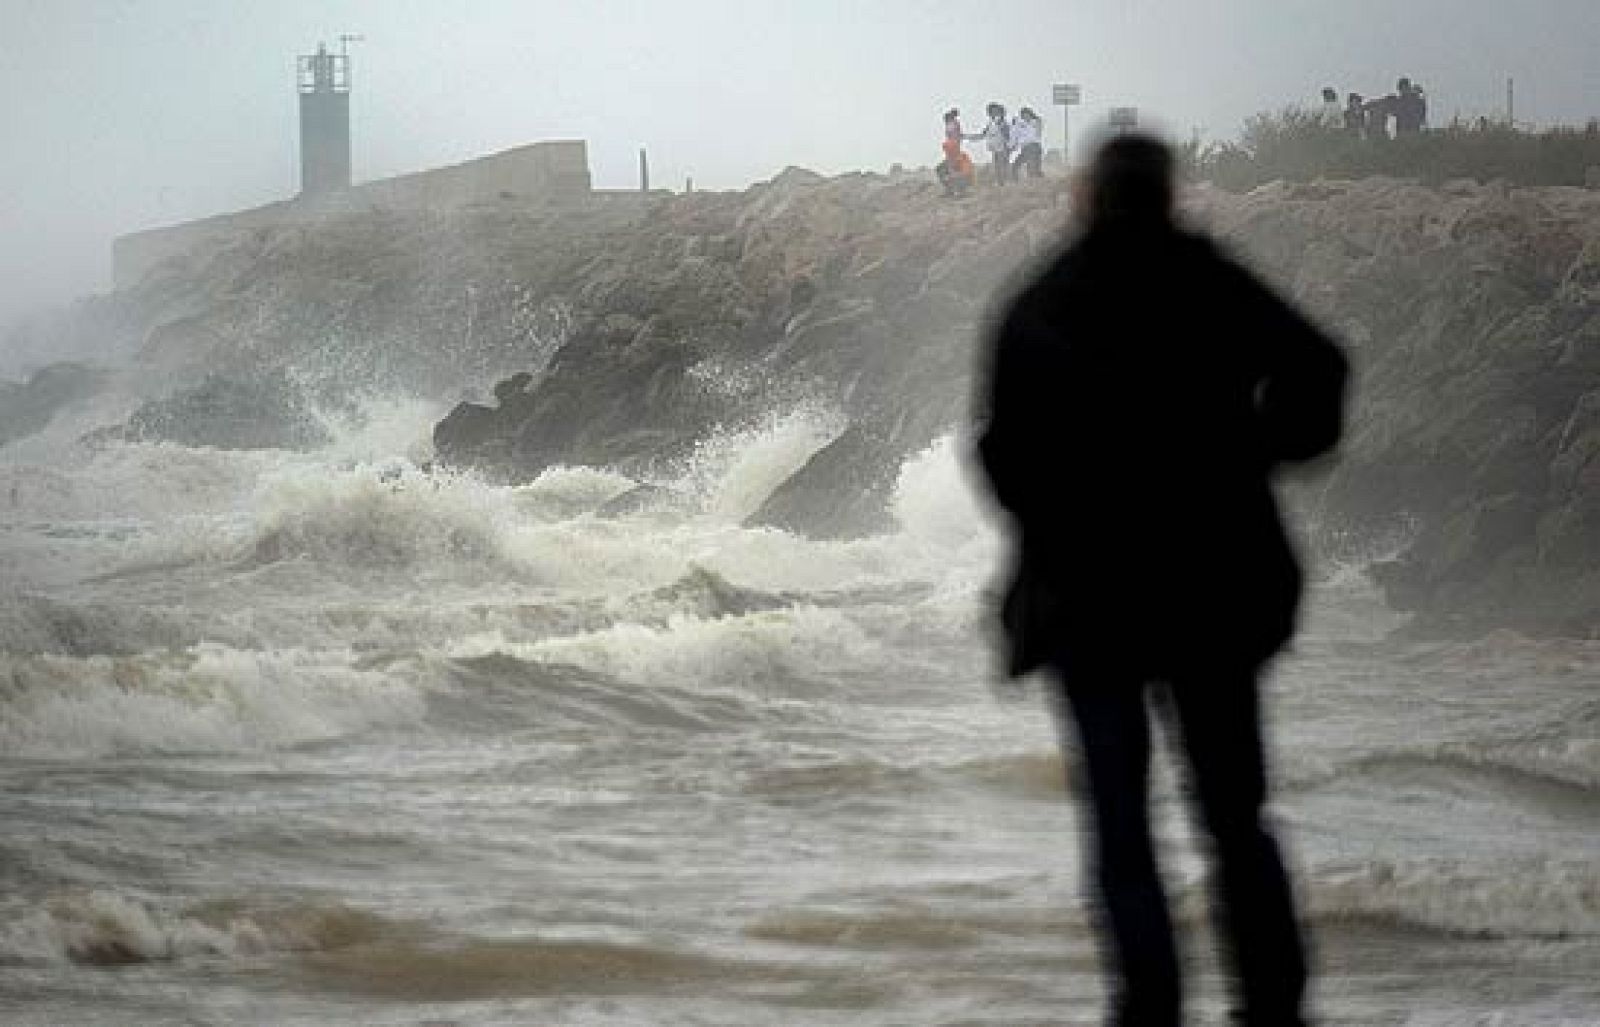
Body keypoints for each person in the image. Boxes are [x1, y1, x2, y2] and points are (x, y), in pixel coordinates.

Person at [976, 133, 1347, 1026]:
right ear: (1170, 194)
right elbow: (1320, 367)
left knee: (1121, 824)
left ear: (1085, 196)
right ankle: (1274, 1006)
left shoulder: (1044, 302)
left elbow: (1000, 452)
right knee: (1233, 815)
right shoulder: (1210, 283)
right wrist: (1264, 449)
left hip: (1087, 605)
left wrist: (1055, 521)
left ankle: (1148, 1006)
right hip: (1211, 596)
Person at [937, 109, 977, 197]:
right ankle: (951, 190)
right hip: (952, 152)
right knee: (943, 170)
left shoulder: (954, 126)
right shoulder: (952, 127)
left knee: (955, 172)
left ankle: (958, 190)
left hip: (955, 153)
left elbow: (957, 136)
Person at [981, 102, 1012, 185]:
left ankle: (1005, 181)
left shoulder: (1003, 123)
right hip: (995, 147)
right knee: (997, 165)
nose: (992, 114)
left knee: (1002, 164)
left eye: (995, 111)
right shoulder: (990, 123)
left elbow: (1007, 135)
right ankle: (1000, 182)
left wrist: (1008, 146)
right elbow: (983, 134)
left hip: (1003, 146)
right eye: (991, 112)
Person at [1011, 107, 1045, 179]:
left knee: (1032, 166)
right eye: (1023, 115)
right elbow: (1015, 135)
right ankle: (1016, 180)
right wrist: (1014, 124)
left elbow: (1038, 133)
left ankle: (1035, 180)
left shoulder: (1035, 123)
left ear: (1030, 114)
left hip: (1034, 146)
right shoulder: (1019, 125)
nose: (1025, 116)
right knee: (1017, 165)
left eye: (1027, 114)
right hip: (1026, 148)